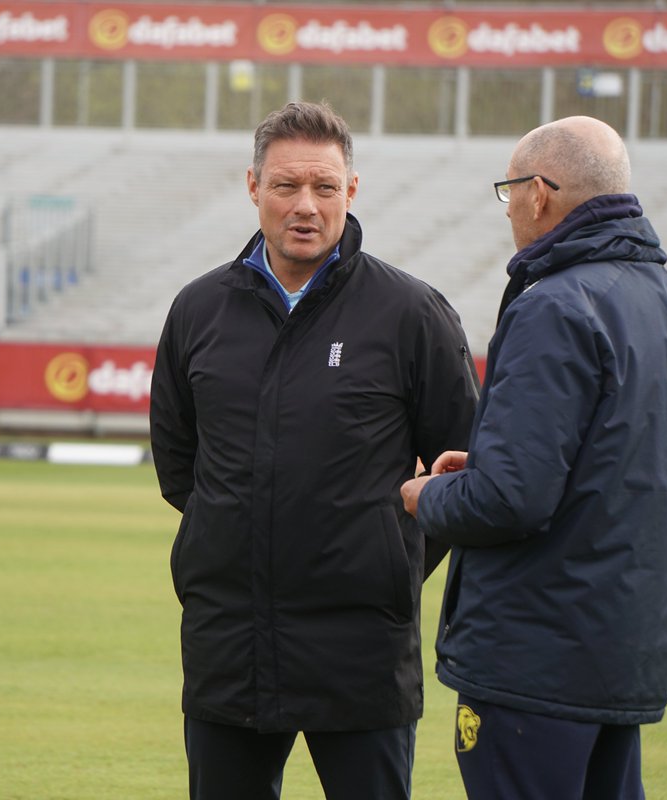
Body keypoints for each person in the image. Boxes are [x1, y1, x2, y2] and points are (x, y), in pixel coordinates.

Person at [150, 101, 481, 800]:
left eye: (325, 188)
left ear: (351, 192)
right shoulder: (197, 310)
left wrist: (384, 560)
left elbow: (464, 476)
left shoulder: (411, 314)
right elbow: (182, 471)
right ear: (253, 187)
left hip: (360, 652)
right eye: (286, 186)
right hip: (228, 647)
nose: (306, 206)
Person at [401, 116, 667, 799]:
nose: (510, 210)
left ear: (539, 193)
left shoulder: (555, 304)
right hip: (626, 645)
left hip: (536, 657)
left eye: (509, 192)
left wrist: (423, 498)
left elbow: (510, 501)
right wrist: (492, 460)